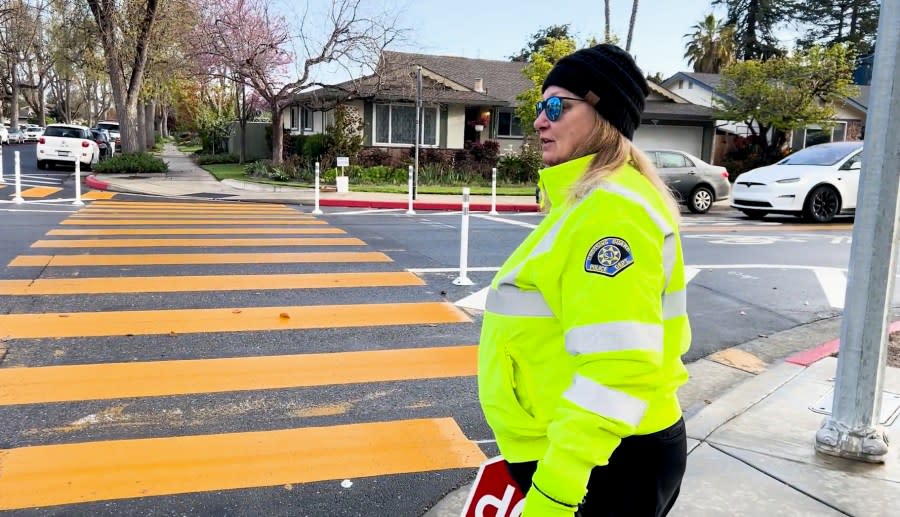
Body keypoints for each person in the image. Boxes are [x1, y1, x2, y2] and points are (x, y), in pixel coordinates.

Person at [478, 44, 691, 517]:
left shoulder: (609, 211)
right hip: (603, 452)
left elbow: (619, 365)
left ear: (602, 114)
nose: (539, 120)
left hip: (603, 464)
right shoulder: (590, 201)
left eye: (557, 106)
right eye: (539, 106)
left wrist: (555, 492)